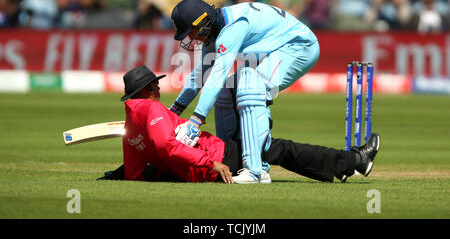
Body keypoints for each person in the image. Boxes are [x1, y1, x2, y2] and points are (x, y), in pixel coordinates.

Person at [99, 65, 381, 184]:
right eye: (155, 85)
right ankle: (353, 161)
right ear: (148, 88)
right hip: (216, 156)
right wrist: (211, 163)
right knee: (277, 148)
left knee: (273, 148)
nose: (159, 89)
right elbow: (166, 144)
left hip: (200, 162)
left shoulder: (130, 123)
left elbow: (134, 171)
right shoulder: (151, 108)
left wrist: (116, 176)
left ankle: (343, 166)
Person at [168, 0, 321, 184]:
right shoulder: (216, 30)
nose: (191, 38)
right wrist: (173, 112)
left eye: (191, 32)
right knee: (226, 91)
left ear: (202, 22)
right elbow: (198, 76)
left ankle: (256, 170)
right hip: (275, 49)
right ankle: (231, 161)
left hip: (299, 47)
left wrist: (196, 119)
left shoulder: (233, 27)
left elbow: (217, 75)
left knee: (251, 85)